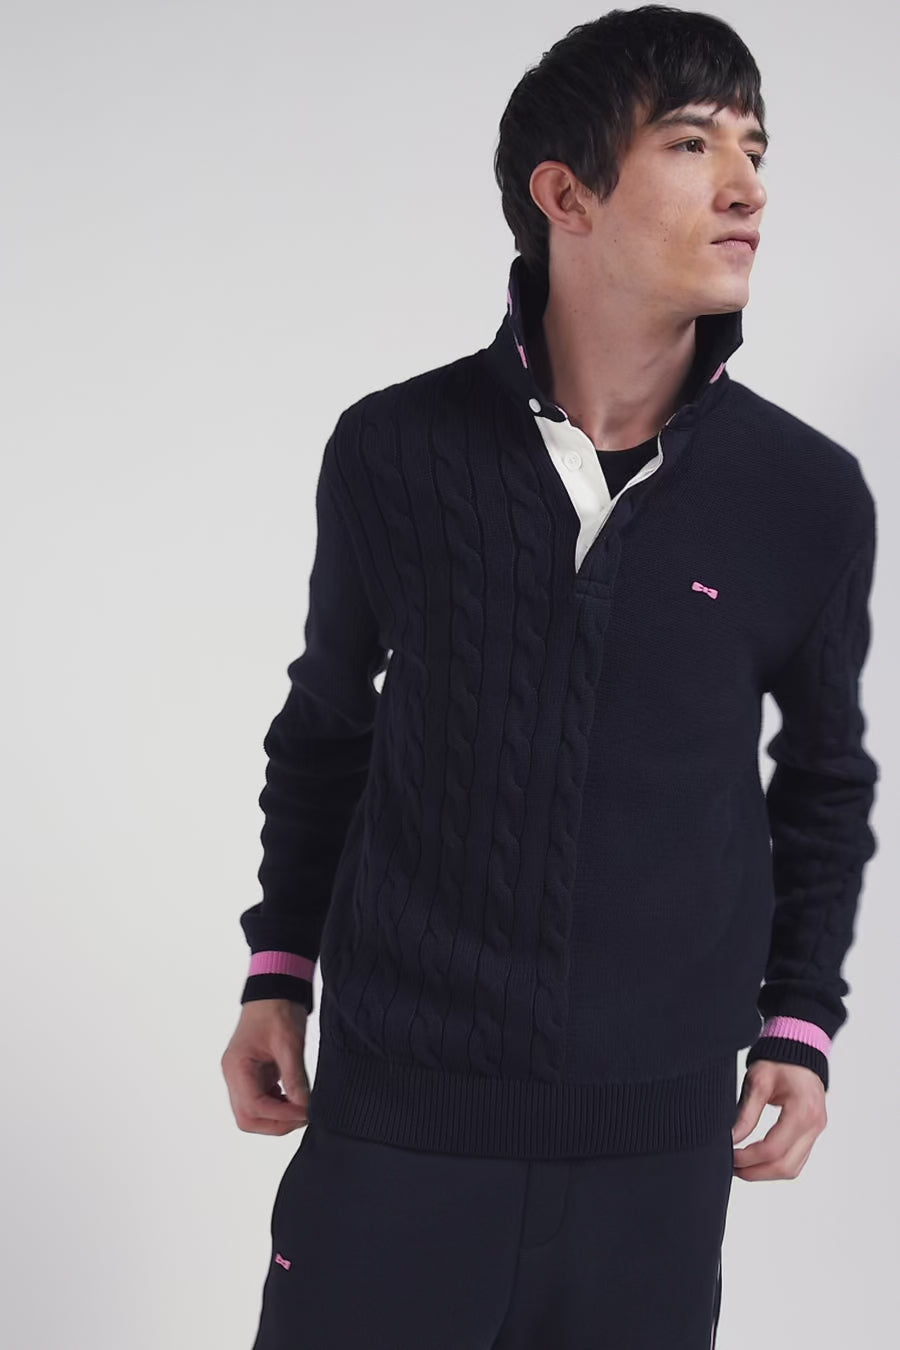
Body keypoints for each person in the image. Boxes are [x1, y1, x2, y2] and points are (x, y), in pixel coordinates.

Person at [221, 7, 879, 1348]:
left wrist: (800, 1020)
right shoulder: (394, 450)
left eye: (754, 149)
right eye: (692, 144)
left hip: (654, 1155)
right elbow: (327, 727)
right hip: (396, 1122)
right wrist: (277, 966)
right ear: (565, 196)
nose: (747, 188)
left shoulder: (804, 494)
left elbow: (824, 780)